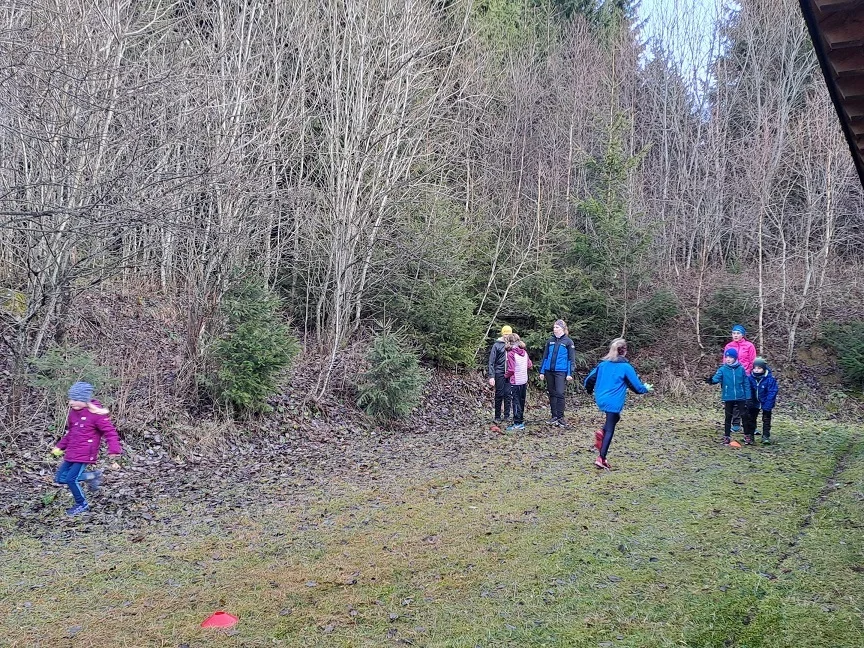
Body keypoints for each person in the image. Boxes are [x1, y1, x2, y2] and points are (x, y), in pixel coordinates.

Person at [52, 382, 121, 516]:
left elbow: (110, 432)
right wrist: (60, 446)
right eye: (70, 399)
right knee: (60, 478)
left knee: (71, 479)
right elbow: (71, 433)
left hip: (85, 453)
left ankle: (81, 504)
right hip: (72, 451)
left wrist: (114, 450)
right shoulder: (73, 413)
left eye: (75, 399)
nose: (71, 402)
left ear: (84, 400)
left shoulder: (96, 415)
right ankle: (93, 476)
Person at [584, 338, 653, 470]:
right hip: (613, 401)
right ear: (624, 351)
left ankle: (601, 433)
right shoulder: (625, 367)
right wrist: (645, 388)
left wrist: (588, 390)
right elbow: (636, 387)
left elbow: (589, 379)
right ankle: (601, 458)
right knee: (610, 427)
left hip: (601, 399)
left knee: (615, 418)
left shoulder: (603, 365)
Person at [706, 348, 754, 445]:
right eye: (726, 357)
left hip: (741, 396)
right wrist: (711, 380)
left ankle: (747, 435)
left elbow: (746, 383)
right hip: (728, 396)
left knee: (744, 416)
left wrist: (748, 396)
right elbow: (717, 377)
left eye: (730, 357)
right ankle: (726, 436)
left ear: (735, 358)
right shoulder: (723, 369)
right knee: (728, 417)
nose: (728, 359)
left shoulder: (741, 369)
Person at [539, 319, 576, 426]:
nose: (554, 329)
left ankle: (560, 417)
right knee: (552, 393)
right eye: (554, 327)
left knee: (560, 393)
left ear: (563, 329)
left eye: (557, 327)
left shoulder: (568, 342)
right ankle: (554, 416)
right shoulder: (550, 341)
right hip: (549, 371)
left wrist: (569, 373)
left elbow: (571, 359)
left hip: (561, 371)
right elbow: (545, 356)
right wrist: (542, 372)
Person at [724, 324, 757, 432]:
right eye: (734, 333)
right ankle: (736, 424)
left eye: (738, 333)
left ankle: (750, 425)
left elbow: (753, 361)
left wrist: (752, 374)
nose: (736, 335)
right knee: (734, 401)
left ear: (742, 335)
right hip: (733, 377)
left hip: (746, 376)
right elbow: (725, 361)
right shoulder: (729, 346)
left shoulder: (749, 346)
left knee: (748, 401)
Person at [503, 333, 532, 431]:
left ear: (509, 342)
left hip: (515, 381)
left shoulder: (511, 354)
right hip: (524, 379)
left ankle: (517, 423)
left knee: (515, 402)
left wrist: (505, 376)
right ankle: (521, 420)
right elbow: (529, 365)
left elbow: (511, 370)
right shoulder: (524, 352)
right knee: (521, 401)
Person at [748, 357, 779, 445]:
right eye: (755, 368)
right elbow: (748, 389)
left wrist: (768, 404)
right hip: (754, 402)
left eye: (759, 368)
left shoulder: (769, 379)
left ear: (763, 368)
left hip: (766, 402)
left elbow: (772, 392)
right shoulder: (750, 378)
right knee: (751, 419)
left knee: (766, 419)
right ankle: (750, 436)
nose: (756, 370)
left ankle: (765, 436)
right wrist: (749, 400)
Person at [487, 325, 513, 423]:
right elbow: (491, 361)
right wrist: (491, 376)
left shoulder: (513, 344)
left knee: (508, 394)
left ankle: (507, 415)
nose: (507, 336)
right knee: (499, 394)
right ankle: (497, 416)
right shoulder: (496, 345)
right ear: (502, 334)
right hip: (499, 372)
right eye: (505, 334)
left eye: (509, 334)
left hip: (510, 373)